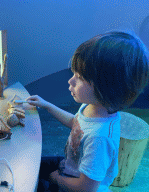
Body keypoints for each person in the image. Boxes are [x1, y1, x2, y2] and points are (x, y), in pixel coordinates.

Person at [26, 31, 149, 192]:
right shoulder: (95, 106)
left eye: (80, 77)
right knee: (31, 164)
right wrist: (47, 105)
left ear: (107, 89)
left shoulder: (99, 138)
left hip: (75, 185)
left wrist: (56, 178)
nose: (70, 81)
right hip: (70, 166)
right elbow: (75, 122)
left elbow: (86, 188)